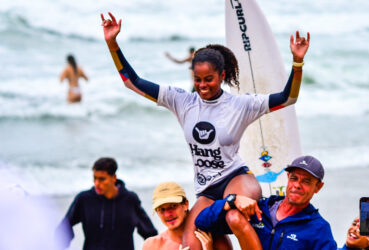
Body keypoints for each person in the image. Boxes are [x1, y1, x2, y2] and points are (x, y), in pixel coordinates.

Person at [101, 12, 309, 250]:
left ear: (221, 76)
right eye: (197, 79)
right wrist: (112, 44)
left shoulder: (241, 105)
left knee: (235, 217)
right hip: (206, 190)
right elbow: (131, 82)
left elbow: (288, 98)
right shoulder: (182, 101)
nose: (201, 86)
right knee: (192, 245)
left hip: (236, 178)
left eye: (208, 79)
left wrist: (297, 63)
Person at [196, 155, 337, 249]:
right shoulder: (261, 209)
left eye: (306, 181)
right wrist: (232, 200)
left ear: (318, 187)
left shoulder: (319, 229)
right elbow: (202, 222)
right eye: (294, 178)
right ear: (288, 178)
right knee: (233, 216)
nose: (297, 185)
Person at [55, 157, 157, 250]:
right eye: (94, 178)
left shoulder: (129, 200)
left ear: (114, 178)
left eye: (101, 179)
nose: (97, 183)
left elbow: (150, 234)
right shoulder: (84, 199)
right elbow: (64, 227)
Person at [143, 182, 220, 250]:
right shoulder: (152, 245)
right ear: (157, 212)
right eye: (162, 209)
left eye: (173, 206)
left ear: (185, 204)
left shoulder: (210, 238)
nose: (168, 214)